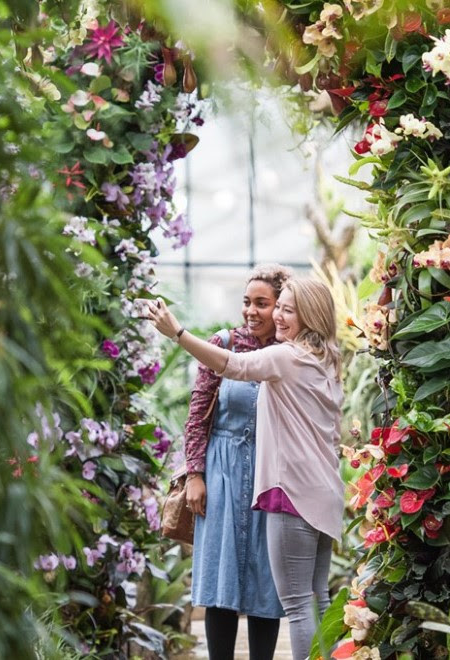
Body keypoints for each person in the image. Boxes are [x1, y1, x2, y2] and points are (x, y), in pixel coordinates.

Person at [147, 278, 345, 660]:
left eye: (288, 309)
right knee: (317, 599)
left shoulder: (287, 357)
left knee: (299, 605)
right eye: (280, 308)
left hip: (293, 493)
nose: (279, 317)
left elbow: (231, 365)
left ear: (310, 316)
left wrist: (178, 333)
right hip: (325, 493)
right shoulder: (328, 359)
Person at [183, 264, 293, 660]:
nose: (252, 311)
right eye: (248, 302)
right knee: (220, 579)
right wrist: (195, 474)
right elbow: (198, 414)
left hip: (270, 473)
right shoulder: (223, 343)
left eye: (262, 303)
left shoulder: (291, 352)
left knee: (268, 579)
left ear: (282, 306)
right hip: (222, 469)